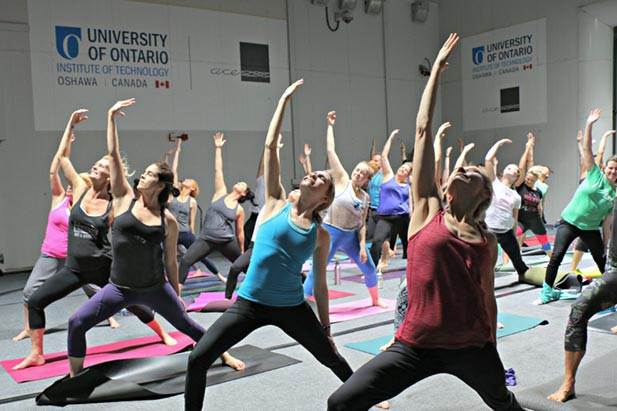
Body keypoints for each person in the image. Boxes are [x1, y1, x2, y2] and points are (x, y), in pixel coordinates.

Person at [327, 33, 523, 411]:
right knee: (341, 402)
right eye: (459, 170)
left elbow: (487, 294)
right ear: (447, 192)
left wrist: (491, 348)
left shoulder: (487, 241)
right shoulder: (425, 212)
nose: (463, 169)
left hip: (471, 345)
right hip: (414, 344)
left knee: (506, 404)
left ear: (485, 194)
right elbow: (422, 129)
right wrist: (435, 73)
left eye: (474, 172)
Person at [185, 80, 353, 410]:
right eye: (311, 175)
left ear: (325, 198)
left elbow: (319, 284)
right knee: (198, 358)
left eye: (321, 179)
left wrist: (326, 327)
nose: (313, 176)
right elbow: (270, 145)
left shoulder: (320, 234)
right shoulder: (275, 201)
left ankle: (368, 397)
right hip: (249, 303)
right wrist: (284, 101)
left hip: (291, 307)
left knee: (330, 357)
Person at [67, 99, 243, 377]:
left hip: (154, 288)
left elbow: (171, 261)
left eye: (149, 174)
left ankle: (224, 353)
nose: (142, 176)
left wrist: (177, 293)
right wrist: (111, 117)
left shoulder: (167, 219)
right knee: (76, 322)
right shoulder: (125, 197)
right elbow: (113, 154)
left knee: (187, 325)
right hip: (118, 288)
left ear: (160, 184)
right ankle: (74, 377)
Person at [13, 109, 174, 370]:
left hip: (103, 267)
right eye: (96, 164)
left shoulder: (115, 203)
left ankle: (163, 333)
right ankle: (36, 353)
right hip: (74, 268)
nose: (95, 166)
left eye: (102, 166)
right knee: (35, 300)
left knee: (135, 305)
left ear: (110, 177)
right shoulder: (79, 188)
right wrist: (70, 126)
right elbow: (63, 157)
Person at [12, 151, 118, 342]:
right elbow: (54, 173)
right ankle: (28, 329)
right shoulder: (59, 199)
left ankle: (110, 316)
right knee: (30, 292)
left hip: (77, 259)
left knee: (96, 290)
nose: (69, 188)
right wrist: (65, 144)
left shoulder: (85, 207)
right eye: (68, 186)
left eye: (73, 186)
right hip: (52, 255)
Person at [302, 111, 387, 308]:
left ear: (367, 180)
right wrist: (330, 126)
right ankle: (303, 303)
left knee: (369, 267)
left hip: (351, 237)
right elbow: (331, 152)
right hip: (330, 232)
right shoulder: (342, 180)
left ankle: (375, 300)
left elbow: (362, 224)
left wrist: (363, 243)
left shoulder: (365, 197)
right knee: (318, 269)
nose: (358, 174)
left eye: (363, 174)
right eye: (357, 170)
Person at [538, 109, 617, 304]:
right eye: (611, 167)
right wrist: (590, 124)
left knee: (602, 262)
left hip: (590, 229)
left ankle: (610, 296)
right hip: (569, 222)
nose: (613, 171)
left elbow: (607, 222)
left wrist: (606, 244)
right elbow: (589, 149)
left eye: (616, 169)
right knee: (556, 256)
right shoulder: (594, 174)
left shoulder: (614, 194)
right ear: (605, 168)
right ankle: (546, 293)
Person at [178, 132, 255, 286]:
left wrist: (241, 252)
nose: (239, 182)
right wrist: (218, 148)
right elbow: (218, 171)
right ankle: (177, 295)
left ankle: (261, 286)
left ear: (243, 193)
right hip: (206, 238)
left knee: (245, 267)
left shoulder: (239, 209)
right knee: (186, 261)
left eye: (242, 184)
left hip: (226, 240)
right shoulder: (220, 193)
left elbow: (239, 233)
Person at [166, 138, 226, 284]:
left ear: (192, 187)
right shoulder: (172, 196)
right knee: (161, 255)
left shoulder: (192, 202)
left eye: (189, 180)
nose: (186, 179)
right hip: (170, 233)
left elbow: (191, 222)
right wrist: (177, 151)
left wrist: (195, 239)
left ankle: (220, 275)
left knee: (202, 256)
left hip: (186, 233)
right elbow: (173, 171)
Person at [484, 139, 529, 281]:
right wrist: (498, 144)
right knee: (486, 263)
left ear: (517, 177)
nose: (511, 170)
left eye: (515, 170)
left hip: (506, 232)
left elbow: (514, 218)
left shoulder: (516, 196)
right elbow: (488, 159)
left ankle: (525, 277)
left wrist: (514, 235)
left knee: (519, 263)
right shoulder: (493, 183)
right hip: (489, 230)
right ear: (503, 172)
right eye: (508, 168)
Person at [368, 129, 412, 267]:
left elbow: (411, 203)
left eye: (406, 170)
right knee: (377, 241)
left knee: (409, 244)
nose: (403, 170)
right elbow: (384, 156)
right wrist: (391, 138)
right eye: (402, 167)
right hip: (386, 217)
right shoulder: (388, 176)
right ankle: (371, 269)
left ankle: (412, 269)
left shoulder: (408, 185)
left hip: (403, 217)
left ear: (408, 175)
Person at [514, 133, 552, 256]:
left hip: (535, 220)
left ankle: (553, 260)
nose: (527, 180)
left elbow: (540, 206)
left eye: (530, 180)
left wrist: (541, 216)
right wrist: (528, 147)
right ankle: (512, 260)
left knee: (545, 243)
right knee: (510, 237)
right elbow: (523, 166)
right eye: (527, 178)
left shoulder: (540, 190)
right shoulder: (521, 185)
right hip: (522, 221)